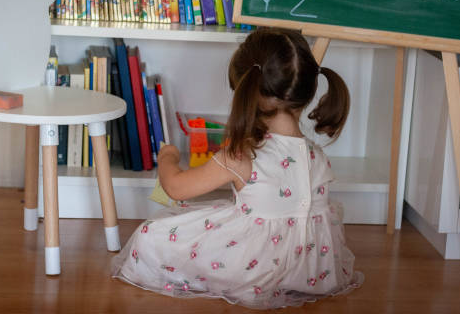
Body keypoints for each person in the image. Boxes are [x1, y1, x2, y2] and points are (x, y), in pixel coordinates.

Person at [111, 28, 363, 309]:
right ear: (307, 90)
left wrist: (169, 157)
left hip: (253, 269)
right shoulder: (318, 156)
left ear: (246, 91)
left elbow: (176, 188)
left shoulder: (241, 156)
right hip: (313, 271)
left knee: (150, 236)